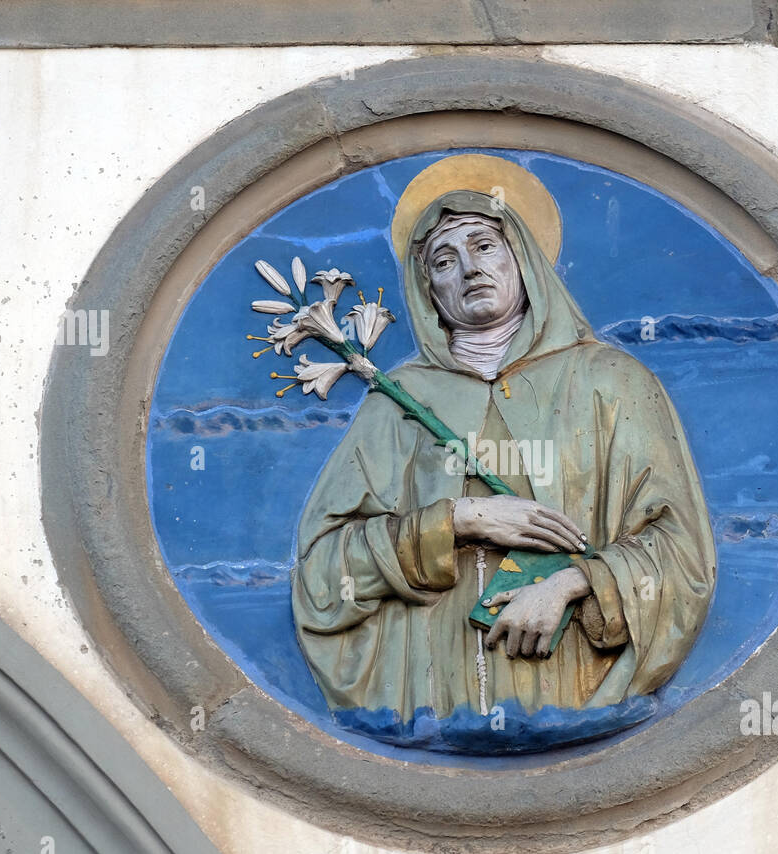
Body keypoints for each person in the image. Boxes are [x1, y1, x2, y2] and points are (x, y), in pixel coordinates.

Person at [290, 158, 716, 731]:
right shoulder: (399, 403)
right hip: (434, 693)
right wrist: (460, 520)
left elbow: (680, 550)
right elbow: (321, 569)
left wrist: (573, 583)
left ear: (524, 258)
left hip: (570, 693)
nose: (468, 269)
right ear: (426, 291)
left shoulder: (612, 382)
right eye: (444, 260)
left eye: (485, 246)